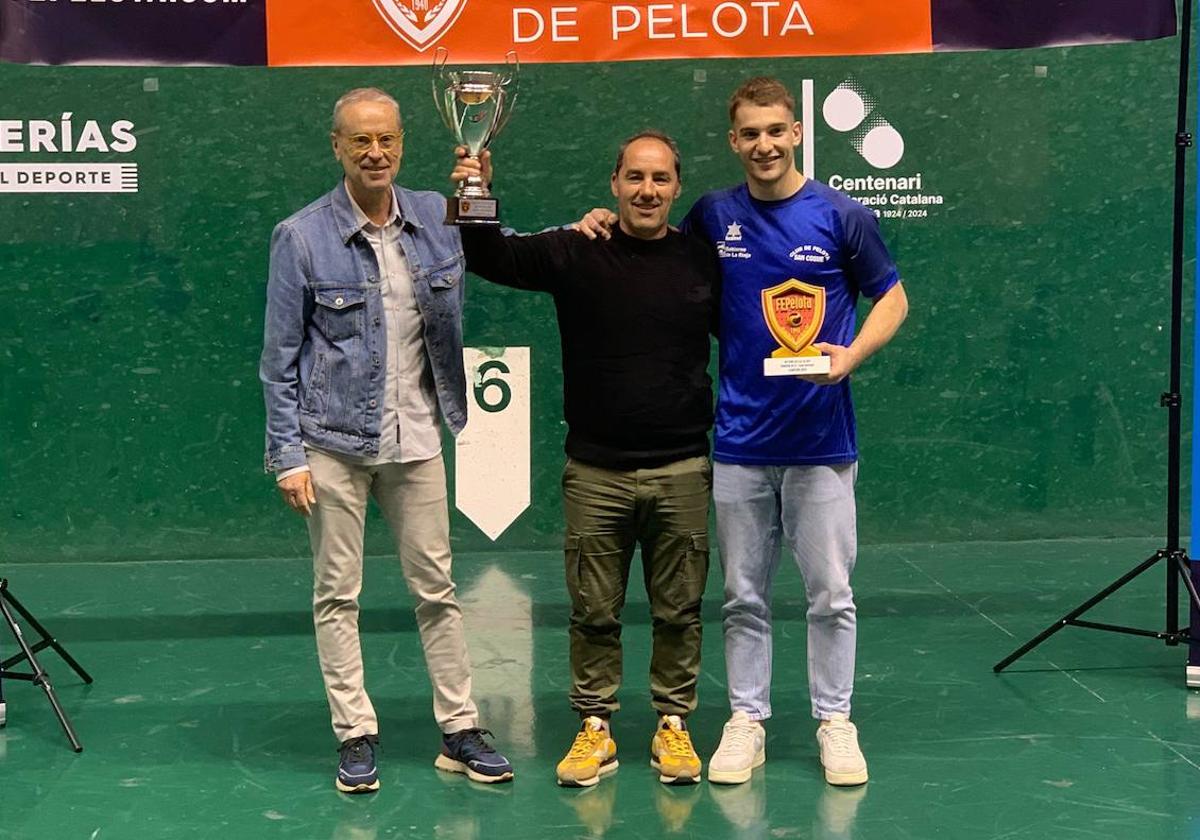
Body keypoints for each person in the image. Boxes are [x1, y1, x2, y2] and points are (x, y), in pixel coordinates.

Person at [579, 77, 908, 788]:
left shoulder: (843, 216)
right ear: (734, 141)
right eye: (749, 133)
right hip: (737, 444)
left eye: (775, 130)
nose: (763, 144)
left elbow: (893, 296)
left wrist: (851, 356)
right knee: (743, 597)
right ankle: (746, 720)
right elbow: (655, 249)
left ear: (796, 133)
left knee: (830, 594)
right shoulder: (711, 215)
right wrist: (599, 222)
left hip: (822, 443)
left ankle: (835, 722)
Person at [259, 87, 513, 794]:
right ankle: (355, 736)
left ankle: (460, 730)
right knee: (337, 595)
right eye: (360, 140)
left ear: (403, 144)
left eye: (387, 140)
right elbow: (278, 357)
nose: (376, 153)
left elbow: (497, 243)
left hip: (420, 438)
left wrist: (482, 191)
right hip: (332, 445)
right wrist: (287, 455)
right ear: (337, 145)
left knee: (438, 589)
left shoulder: (437, 214)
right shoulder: (301, 235)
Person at [451, 131, 721, 787]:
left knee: (678, 610)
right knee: (593, 611)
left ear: (676, 187)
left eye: (660, 179)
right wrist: (475, 191)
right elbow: (490, 257)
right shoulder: (577, 249)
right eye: (635, 177)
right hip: (595, 471)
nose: (647, 190)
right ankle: (595, 727)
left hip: (683, 468)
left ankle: (673, 727)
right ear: (614, 182)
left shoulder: (702, 261)